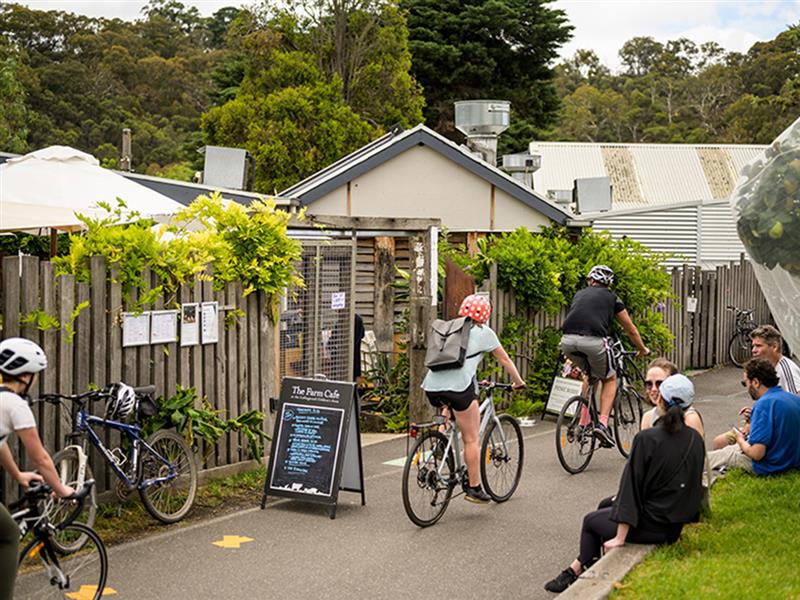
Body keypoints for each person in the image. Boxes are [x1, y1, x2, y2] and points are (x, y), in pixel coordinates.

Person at [544, 374, 705, 594]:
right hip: (674, 525)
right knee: (604, 505)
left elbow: (632, 487)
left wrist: (620, 538)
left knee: (591, 522)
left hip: (654, 526)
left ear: (661, 401)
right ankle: (580, 568)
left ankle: (588, 578)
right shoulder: (695, 439)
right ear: (689, 406)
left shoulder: (647, 438)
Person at [421, 294, 526, 504]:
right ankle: (474, 489)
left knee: (449, 404)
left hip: (431, 387)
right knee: (471, 439)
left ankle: (441, 443)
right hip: (459, 388)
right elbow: (504, 359)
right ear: (485, 315)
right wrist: (518, 382)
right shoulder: (483, 332)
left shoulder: (448, 328)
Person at [0, 337, 75, 599]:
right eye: (34, 374)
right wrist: (61, 489)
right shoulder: (15, 405)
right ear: (24, 375)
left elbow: (0, 444)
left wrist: (18, 475)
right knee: (9, 534)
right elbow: (41, 458)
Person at [560, 265, 650, 447]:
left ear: (591, 280)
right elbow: (630, 329)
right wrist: (642, 349)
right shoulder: (612, 298)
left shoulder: (580, 294)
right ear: (608, 283)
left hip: (567, 342)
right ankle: (602, 424)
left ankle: (583, 422)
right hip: (594, 341)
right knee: (610, 379)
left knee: (591, 376)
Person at [707, 357, 800, 479]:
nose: (746, 387)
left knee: (711, 458)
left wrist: (740, 439)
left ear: (756, 382)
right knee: (726, 448)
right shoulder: (793, 399)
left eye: (746, 382)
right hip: (791, 461)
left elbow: (757, 454)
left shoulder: (764, 404)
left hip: (771, 465)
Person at [712, 325, 800, 449]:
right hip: (763, 424)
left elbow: (794, 409)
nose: (753, 350)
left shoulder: (786, 369)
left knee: (721, 443)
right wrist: (755, 413)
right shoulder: (766, 369)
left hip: (777, 433)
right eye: (753, 346)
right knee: (718, 442)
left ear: (774, 347)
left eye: (758, 346)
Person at [641, 359, 704, 438]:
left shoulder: (690, 419)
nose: (653, 389)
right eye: (649, 384)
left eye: (660, 383)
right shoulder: (648, 417)